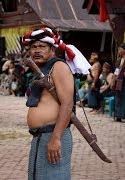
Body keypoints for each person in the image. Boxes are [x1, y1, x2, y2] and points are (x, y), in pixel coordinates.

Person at [23, 27, 75, 180]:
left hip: (53, 135)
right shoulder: (43, 69)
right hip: (41, 137)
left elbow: (67, 104)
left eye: (42, 46)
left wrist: (56, 138)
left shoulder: (59, 67)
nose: (37, 50)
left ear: (52, 49)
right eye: (33, 47)